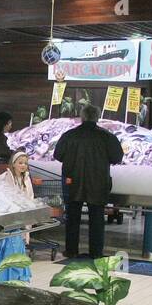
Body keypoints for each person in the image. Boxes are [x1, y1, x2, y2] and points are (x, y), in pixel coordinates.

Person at [53, 103, 123, 259]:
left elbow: (58, 155)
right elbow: (117, 157)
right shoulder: (107, 136)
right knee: (97, 219)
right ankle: (96, 253)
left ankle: (71, 251)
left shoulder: (69, 135)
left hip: (73, 181)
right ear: (97, 117)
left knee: (72, 218)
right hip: (98, 182)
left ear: (82, 117)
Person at [0, 149, 34, 283]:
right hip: (10, 221)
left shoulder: (26, 179)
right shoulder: (6, 177)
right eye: (20, 163)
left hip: (22, 221)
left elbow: (30, 198)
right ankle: (7, 278)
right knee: (9, 248)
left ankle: (17, 278)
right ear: (13, 163)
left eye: (25, 163)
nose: (23, 165)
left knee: (18, 248)